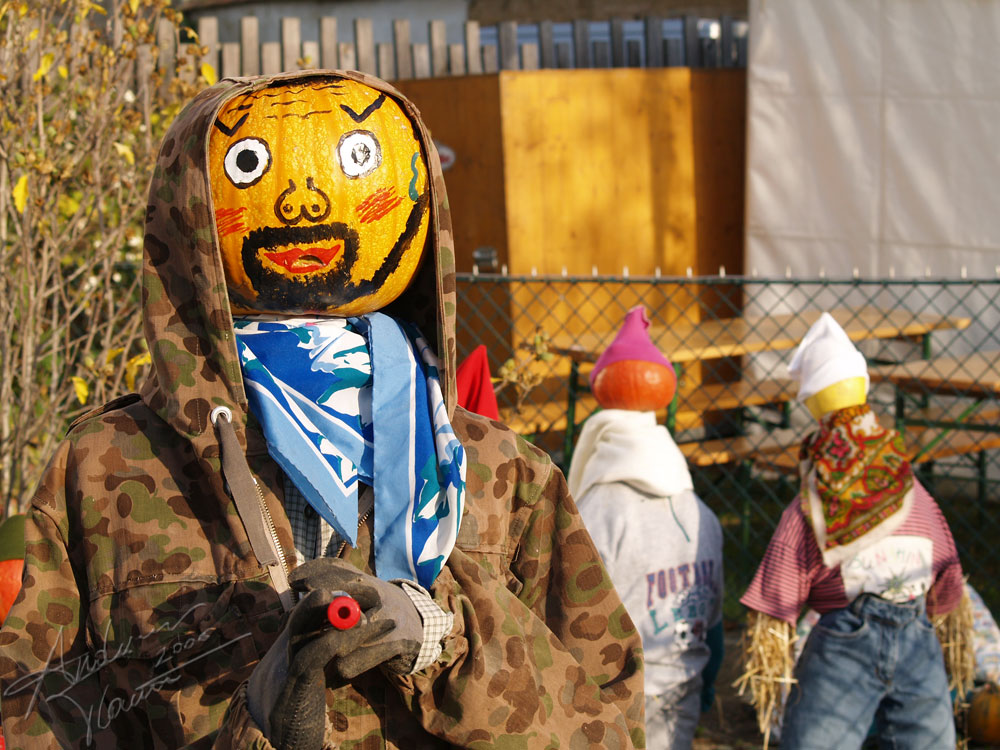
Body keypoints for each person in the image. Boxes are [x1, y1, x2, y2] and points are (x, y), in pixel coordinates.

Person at [0, 71, 645, 749]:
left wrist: (441, 639)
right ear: (189, 211)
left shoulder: (500, 474)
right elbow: (34, 712)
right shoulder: (106, 468)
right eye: (249, 166)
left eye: (356, 159)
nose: (302, 203)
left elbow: (608, 726)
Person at [739, 312, 972, 750]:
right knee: (928, 740)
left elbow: (785, 569)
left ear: (812, 404)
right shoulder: (909, 486)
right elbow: (945, 560)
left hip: (845, 639)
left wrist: (774, 630)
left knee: (818, 740)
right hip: (918, 634)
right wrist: (945, 611)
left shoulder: (816, 496)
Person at [568, 307, 723, 750]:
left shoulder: (599, 510)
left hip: (618, 694)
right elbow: (713, 624)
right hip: (683, 684)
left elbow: (574, 612)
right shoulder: (701, 514)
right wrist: (709, 680)